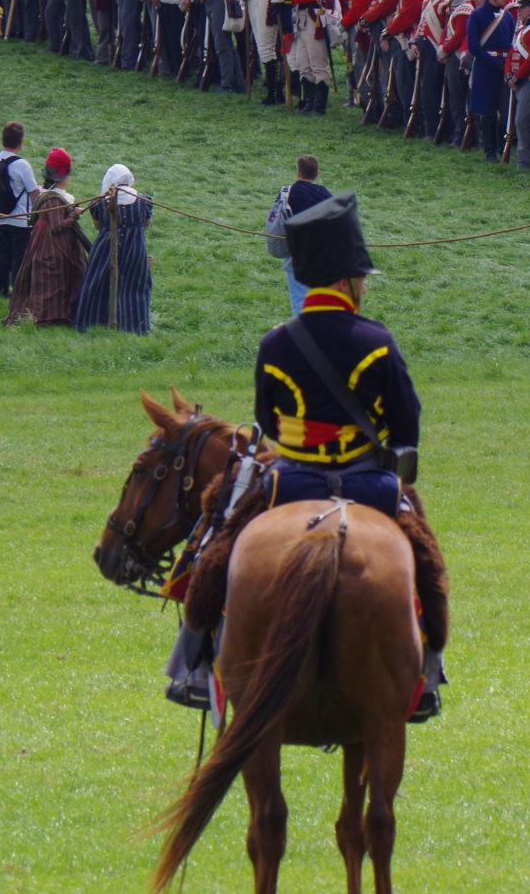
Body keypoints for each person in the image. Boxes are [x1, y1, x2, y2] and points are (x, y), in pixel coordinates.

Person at [168, 191, 442, 718]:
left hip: (287, 484)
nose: (364, 288)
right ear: (344, 282)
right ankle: (428, 673)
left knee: (215, 549)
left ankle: (195, 664)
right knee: (426, 562)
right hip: (369, 486)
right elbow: (408, 425)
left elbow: (268, 421)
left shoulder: (276, 343)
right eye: (361, 279)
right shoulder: (378, 341)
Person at [4, 146, 86, 326]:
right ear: (61, 177)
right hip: (52, 243)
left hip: (42, 239)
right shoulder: (53, 199)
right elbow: (57, 227)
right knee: (53, 276)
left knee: (51, 276)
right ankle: (49, 316)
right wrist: (74, 214)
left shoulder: (48, 195)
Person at [74, 163, 152, 334]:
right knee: (134, 285)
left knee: (98, 282)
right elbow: (146, 223)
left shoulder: (100, 203)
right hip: (135, 247)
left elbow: (98, 225)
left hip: (106, 247)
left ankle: (92, 323)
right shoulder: (142, 201)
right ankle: (134, 326)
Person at [0, 121, 39, 298]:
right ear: (21, 142)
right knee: (19, 258)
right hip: (20, 219)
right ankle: (19, 293)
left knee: (2, 256)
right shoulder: (22, 164)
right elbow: (33, 192)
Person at [272, 154, 334, 312]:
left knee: (300, 299)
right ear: (317, 173)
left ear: (299, 173)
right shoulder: (326, 195)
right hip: (322, 255)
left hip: (297, 252)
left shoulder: (287, 193)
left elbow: (277, 219)